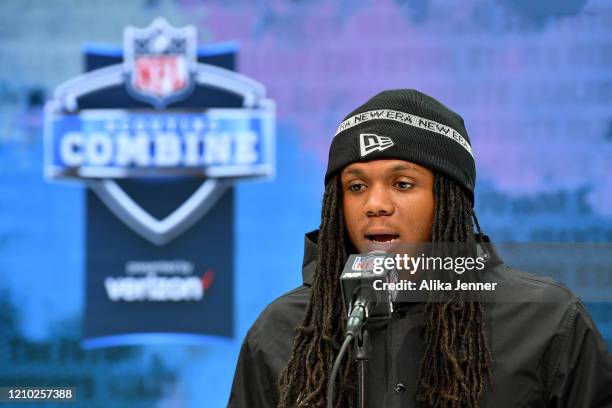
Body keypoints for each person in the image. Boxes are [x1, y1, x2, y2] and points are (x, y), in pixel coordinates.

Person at [228, 89, 612, 407]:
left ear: (448, 200)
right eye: (356, 186)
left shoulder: (546, 321)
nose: (375, 204)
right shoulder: (282, 330)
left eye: (403, 184)